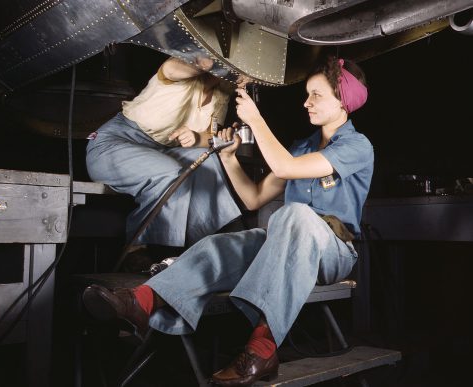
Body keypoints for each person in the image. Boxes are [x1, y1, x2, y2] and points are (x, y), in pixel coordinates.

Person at [82, 55, 373, 386]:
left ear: (343, 101)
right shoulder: (301, 146)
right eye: (306, 94)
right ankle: (141, 302)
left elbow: (285, 169)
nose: (306, 103)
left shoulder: (357, 146)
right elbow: (253, 198)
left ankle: (262, 348)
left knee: (295, 214)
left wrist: (256, 120)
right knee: (222, 245)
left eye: (317, 95)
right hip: (287, 241)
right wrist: (229, 157)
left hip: (333, 252)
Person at [85, 56, 242, 252]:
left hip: (160, 151)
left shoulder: (222, 92)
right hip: (114, 144)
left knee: (207, 159)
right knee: (169, 171)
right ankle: (137, 248)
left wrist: (195, 137)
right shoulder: (178, 71)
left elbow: (210, 135)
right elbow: (170, 70)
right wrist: (207, 62)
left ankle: (206, 247)